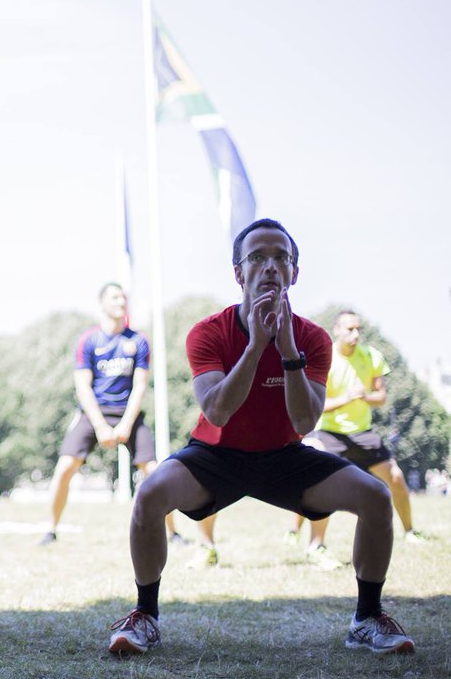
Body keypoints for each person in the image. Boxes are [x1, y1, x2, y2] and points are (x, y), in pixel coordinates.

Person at [108, 219, 413, 655]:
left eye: (280, 258)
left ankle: (366, 619)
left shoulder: (312, 338)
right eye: (257, 257)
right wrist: (256, 347)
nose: (270, 266)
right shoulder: (208, 332)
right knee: (150, 495)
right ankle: (145, 615)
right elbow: (216, 409)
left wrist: (287, 350)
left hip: (285, 456)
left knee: (377, 498)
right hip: (216, 454)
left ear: (294, 271)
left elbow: (305, 421)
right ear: (238, 272)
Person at [40, 283, 181, 546]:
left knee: (155, 471)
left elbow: (140, 386)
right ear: (102, 304)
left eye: (123, 298)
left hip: (128, 413)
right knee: (64, 468)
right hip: (94, 413)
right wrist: (100, 426)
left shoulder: (137, 340)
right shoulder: (88, 340)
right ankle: (50, 530)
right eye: (115, 297)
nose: (121, 301)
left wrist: (126, 424)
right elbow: (83, 388)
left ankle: (174, 533)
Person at [288, 311, 424, 558]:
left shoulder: (371, 356)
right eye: (349, 329)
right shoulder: (325, 357)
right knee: (317, 481)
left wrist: (365, 397)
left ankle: (410, 531)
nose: (355, 334)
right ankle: (312, 541)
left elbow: (381, 397)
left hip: (363, 433)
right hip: (330, 433)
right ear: (336, 330)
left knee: (395, 476)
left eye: (358, 329)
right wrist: (345, 398)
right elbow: (314, 404)